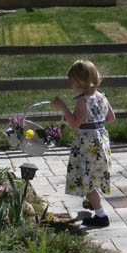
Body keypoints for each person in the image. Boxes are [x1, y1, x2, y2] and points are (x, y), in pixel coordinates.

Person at [52, 59, 116, 228]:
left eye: (71, 80)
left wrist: (63, 107)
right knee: (92, 175)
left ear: (80, 81)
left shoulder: (83, 101)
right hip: (100, 142)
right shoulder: (102, 96)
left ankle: (101, 215)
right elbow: (111, 118)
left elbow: (74, 123)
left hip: (87, 145)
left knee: (87, 181)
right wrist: (96, 125)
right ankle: (92, 203)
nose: (70, 84)